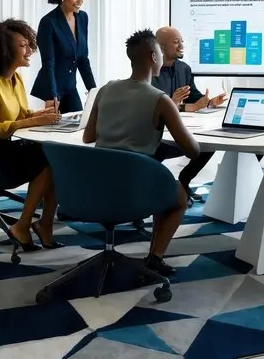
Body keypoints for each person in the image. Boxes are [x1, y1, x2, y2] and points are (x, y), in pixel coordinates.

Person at [82, 29, 200, 277]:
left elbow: (88, 137)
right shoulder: (160, 99)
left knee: (162, 179)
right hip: (136, 185)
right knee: (178, 197)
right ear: (153, 56)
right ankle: (155, 257)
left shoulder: (105, 89)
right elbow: (192, 150)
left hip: (96, 183)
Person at [0, 19, 64, 252]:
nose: (30, 50)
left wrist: (42, 113)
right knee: (49, 162)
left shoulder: (15, 78)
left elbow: (20, 114)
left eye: (29, 44)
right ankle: (23, 225)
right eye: (23, 46)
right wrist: (33, 120)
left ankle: (44, 225)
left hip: (7, 144)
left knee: (56, 157)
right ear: (4, 50)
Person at [152, 26, 227, 203]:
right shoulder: (151, 72)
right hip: (156, 136)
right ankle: (157, 191)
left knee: (209, 145)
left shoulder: (184, 68)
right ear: (161, 48)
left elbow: (193, 95)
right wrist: (179, 105)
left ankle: (183, 182)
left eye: (182, 41)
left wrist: (208, 102)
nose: (181, 45)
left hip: (179, 132)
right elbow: (152, 107)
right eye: (176, 41)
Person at [31, 0, 97, 114]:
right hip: (54, 88)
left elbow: (82, 59)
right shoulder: (49, 22)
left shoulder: (82, 18)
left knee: (80, 124)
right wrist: (52, 95)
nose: (80, 2)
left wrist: (93, 91)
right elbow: (48, 62)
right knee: (55, 130)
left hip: (71, 87)